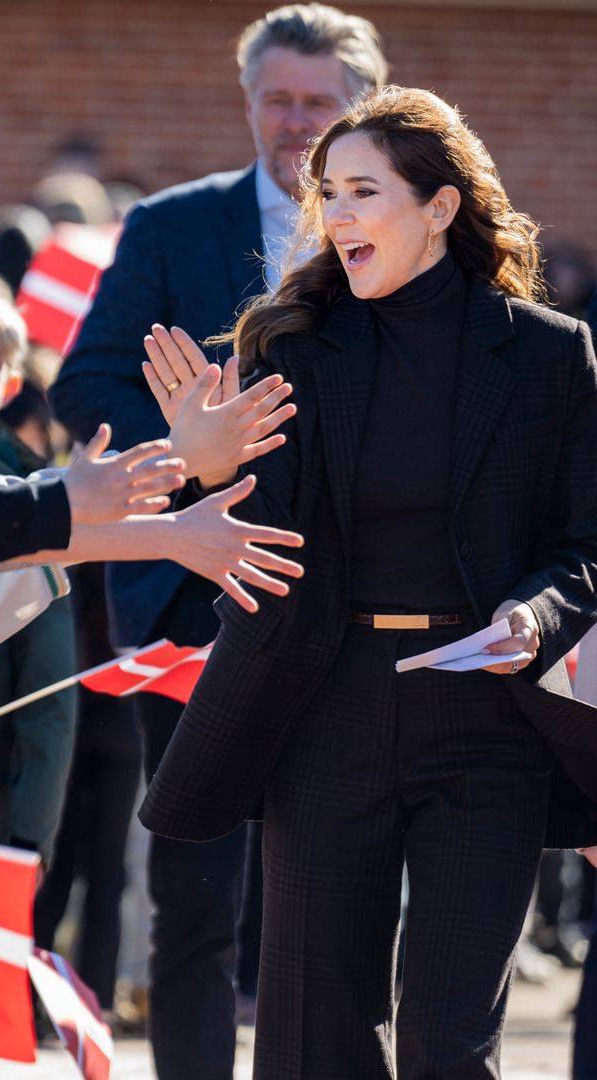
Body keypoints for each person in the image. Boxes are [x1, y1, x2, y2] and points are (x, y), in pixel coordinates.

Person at [140, 84, 597, 1079]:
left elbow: (588, 547)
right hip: (327, 705)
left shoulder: (553, 357)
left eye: (362, 191)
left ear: (440, 206)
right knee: (314, 1040)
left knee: (447, 1041)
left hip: (493, 720)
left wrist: (538, 614)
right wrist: (207, 468)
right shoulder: (290, 344)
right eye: (327, 194)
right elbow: (258, 545)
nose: (336, 215)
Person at [49, 6, 388, 1076]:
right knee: (195, 902)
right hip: (196, 608)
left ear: (360, 112)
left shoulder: (407, 231)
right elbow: (86, 383)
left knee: (336, 900)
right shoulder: (169, 228)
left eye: (318, 104)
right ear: (247, 102)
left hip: (365, 606)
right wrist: (196, 445)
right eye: (277, 99)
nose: (295, 122)